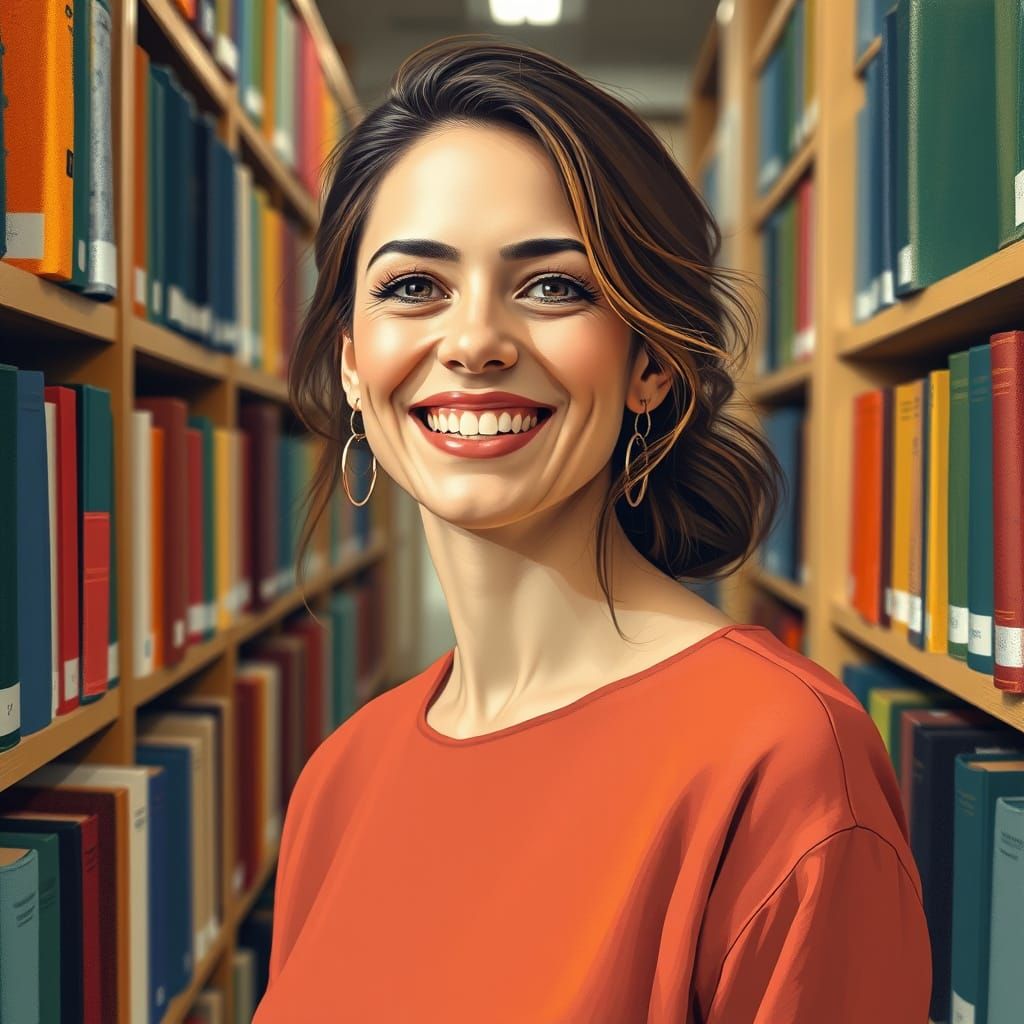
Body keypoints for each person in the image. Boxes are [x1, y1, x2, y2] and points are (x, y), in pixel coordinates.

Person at [252, 34, 931, 1023]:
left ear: (649, 362)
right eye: (413, 286)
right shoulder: (339, 778)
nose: (475, 340)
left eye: (553, 285)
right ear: (354, 362)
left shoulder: (784, 763)